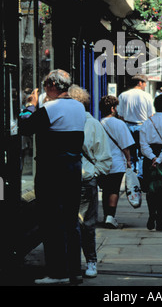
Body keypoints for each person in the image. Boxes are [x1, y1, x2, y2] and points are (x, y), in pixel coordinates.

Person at [18, 69, 86, 285]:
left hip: (52, 170)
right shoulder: (79, 106)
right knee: (70, 220)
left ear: (53, 86)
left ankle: (58, 272)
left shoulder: (51, 107)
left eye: (47, 84)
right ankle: (74, 270)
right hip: (73, 168)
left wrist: (30, 104)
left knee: (51, 220)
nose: (45, 88)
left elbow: (25, 126)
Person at [68, 85, 112, 278]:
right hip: (64, 181)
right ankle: (71, 263)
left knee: (86, 224)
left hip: (85, 181)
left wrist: (92, 174)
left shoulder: (92, 124)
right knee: (70, 225)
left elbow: (104, 156)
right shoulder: (62, 122)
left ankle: (91, 261)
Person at [99, 95, 135, 228]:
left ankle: (105, 215)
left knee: (105, 190)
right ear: (113, 108)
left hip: (102, 162)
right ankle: (110, 216)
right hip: (117, 162)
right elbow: (125, 146)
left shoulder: (98, 123)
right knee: (114, 190)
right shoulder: (120, 124)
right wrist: (129, 160)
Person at [140, 93, 162, 231]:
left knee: (151, 190)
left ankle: (151, 213)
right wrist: (159, 159)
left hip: (149, 159)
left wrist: (152, 157)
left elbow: (143, 144)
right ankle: (161, 221)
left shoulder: (147, 123)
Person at [117, 74, 154, 175]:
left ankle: (132, 177)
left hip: (128, 126)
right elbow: (151, 115)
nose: (145, 86)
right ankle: (140, 177)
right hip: (142, 126)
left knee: (131, 154)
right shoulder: (147, 96)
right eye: (145, 83)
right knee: (142, 153)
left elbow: (120, 115)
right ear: (140, 83)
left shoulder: (123, 95)